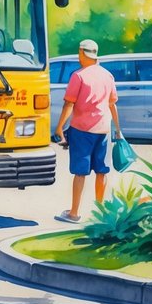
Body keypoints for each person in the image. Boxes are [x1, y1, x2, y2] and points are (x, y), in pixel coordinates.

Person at [53, 39, 122, 224]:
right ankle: (100, 214)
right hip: (104, 130)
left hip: (82, 130)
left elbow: (69, 103)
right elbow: (112, 104)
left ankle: (74, 213)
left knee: (80, 172)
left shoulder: (78, 76)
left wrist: (59, 127)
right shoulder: (108, 76)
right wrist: (118, 129)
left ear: (82, 53)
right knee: (102, 171)